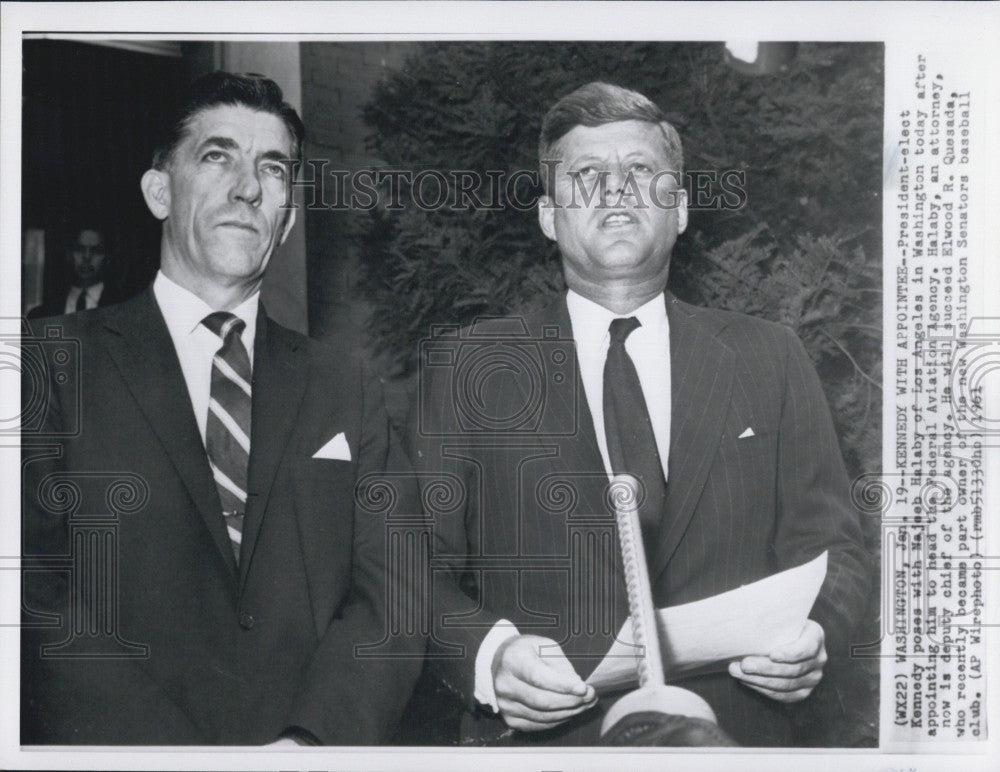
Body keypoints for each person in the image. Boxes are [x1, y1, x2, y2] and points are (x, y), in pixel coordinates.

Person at [413, 82, 871, 746]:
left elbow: (837, 549)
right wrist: (488, 657)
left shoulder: (769, 356)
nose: (616, 190)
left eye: (640, 172)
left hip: (736, 741)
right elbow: (411, 568)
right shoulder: (467, 367)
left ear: (680, 209)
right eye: (587, 175)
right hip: (543, 748)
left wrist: (816, 634)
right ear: (548, 215)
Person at [21, 71, 423, 745]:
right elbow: (28, 591)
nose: (247, 187)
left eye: (272, 169)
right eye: (217, 157)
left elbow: (394, 598)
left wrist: (312, 741)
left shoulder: (346, 387)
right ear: (158, 191)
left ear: (288, 217)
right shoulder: (49, 363)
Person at [27, 227, 125, 318]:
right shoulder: (40, 315)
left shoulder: (123, 310)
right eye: (79, 249)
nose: (87, 257)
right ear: (68, 255)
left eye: (95, 251)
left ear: (107, 258)